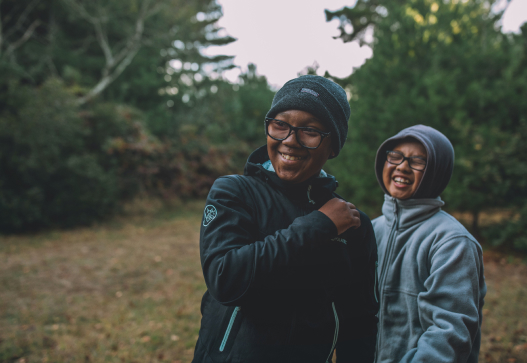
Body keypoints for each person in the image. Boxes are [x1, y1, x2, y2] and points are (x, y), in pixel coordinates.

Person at [192, 75, 379, 363]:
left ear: (333, 146)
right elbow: (225, 278)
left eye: (310, 130)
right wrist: (318, 226)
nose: (290, 141)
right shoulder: (235, 193)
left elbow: (359, 321)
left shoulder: (353, 224)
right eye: (280, 125)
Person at [372, 125, 487, 363]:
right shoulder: (372, 230)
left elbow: (448, 335)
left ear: (437, 171)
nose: (402, 166)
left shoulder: (452, 241)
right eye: (395, 156)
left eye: (418, 161)